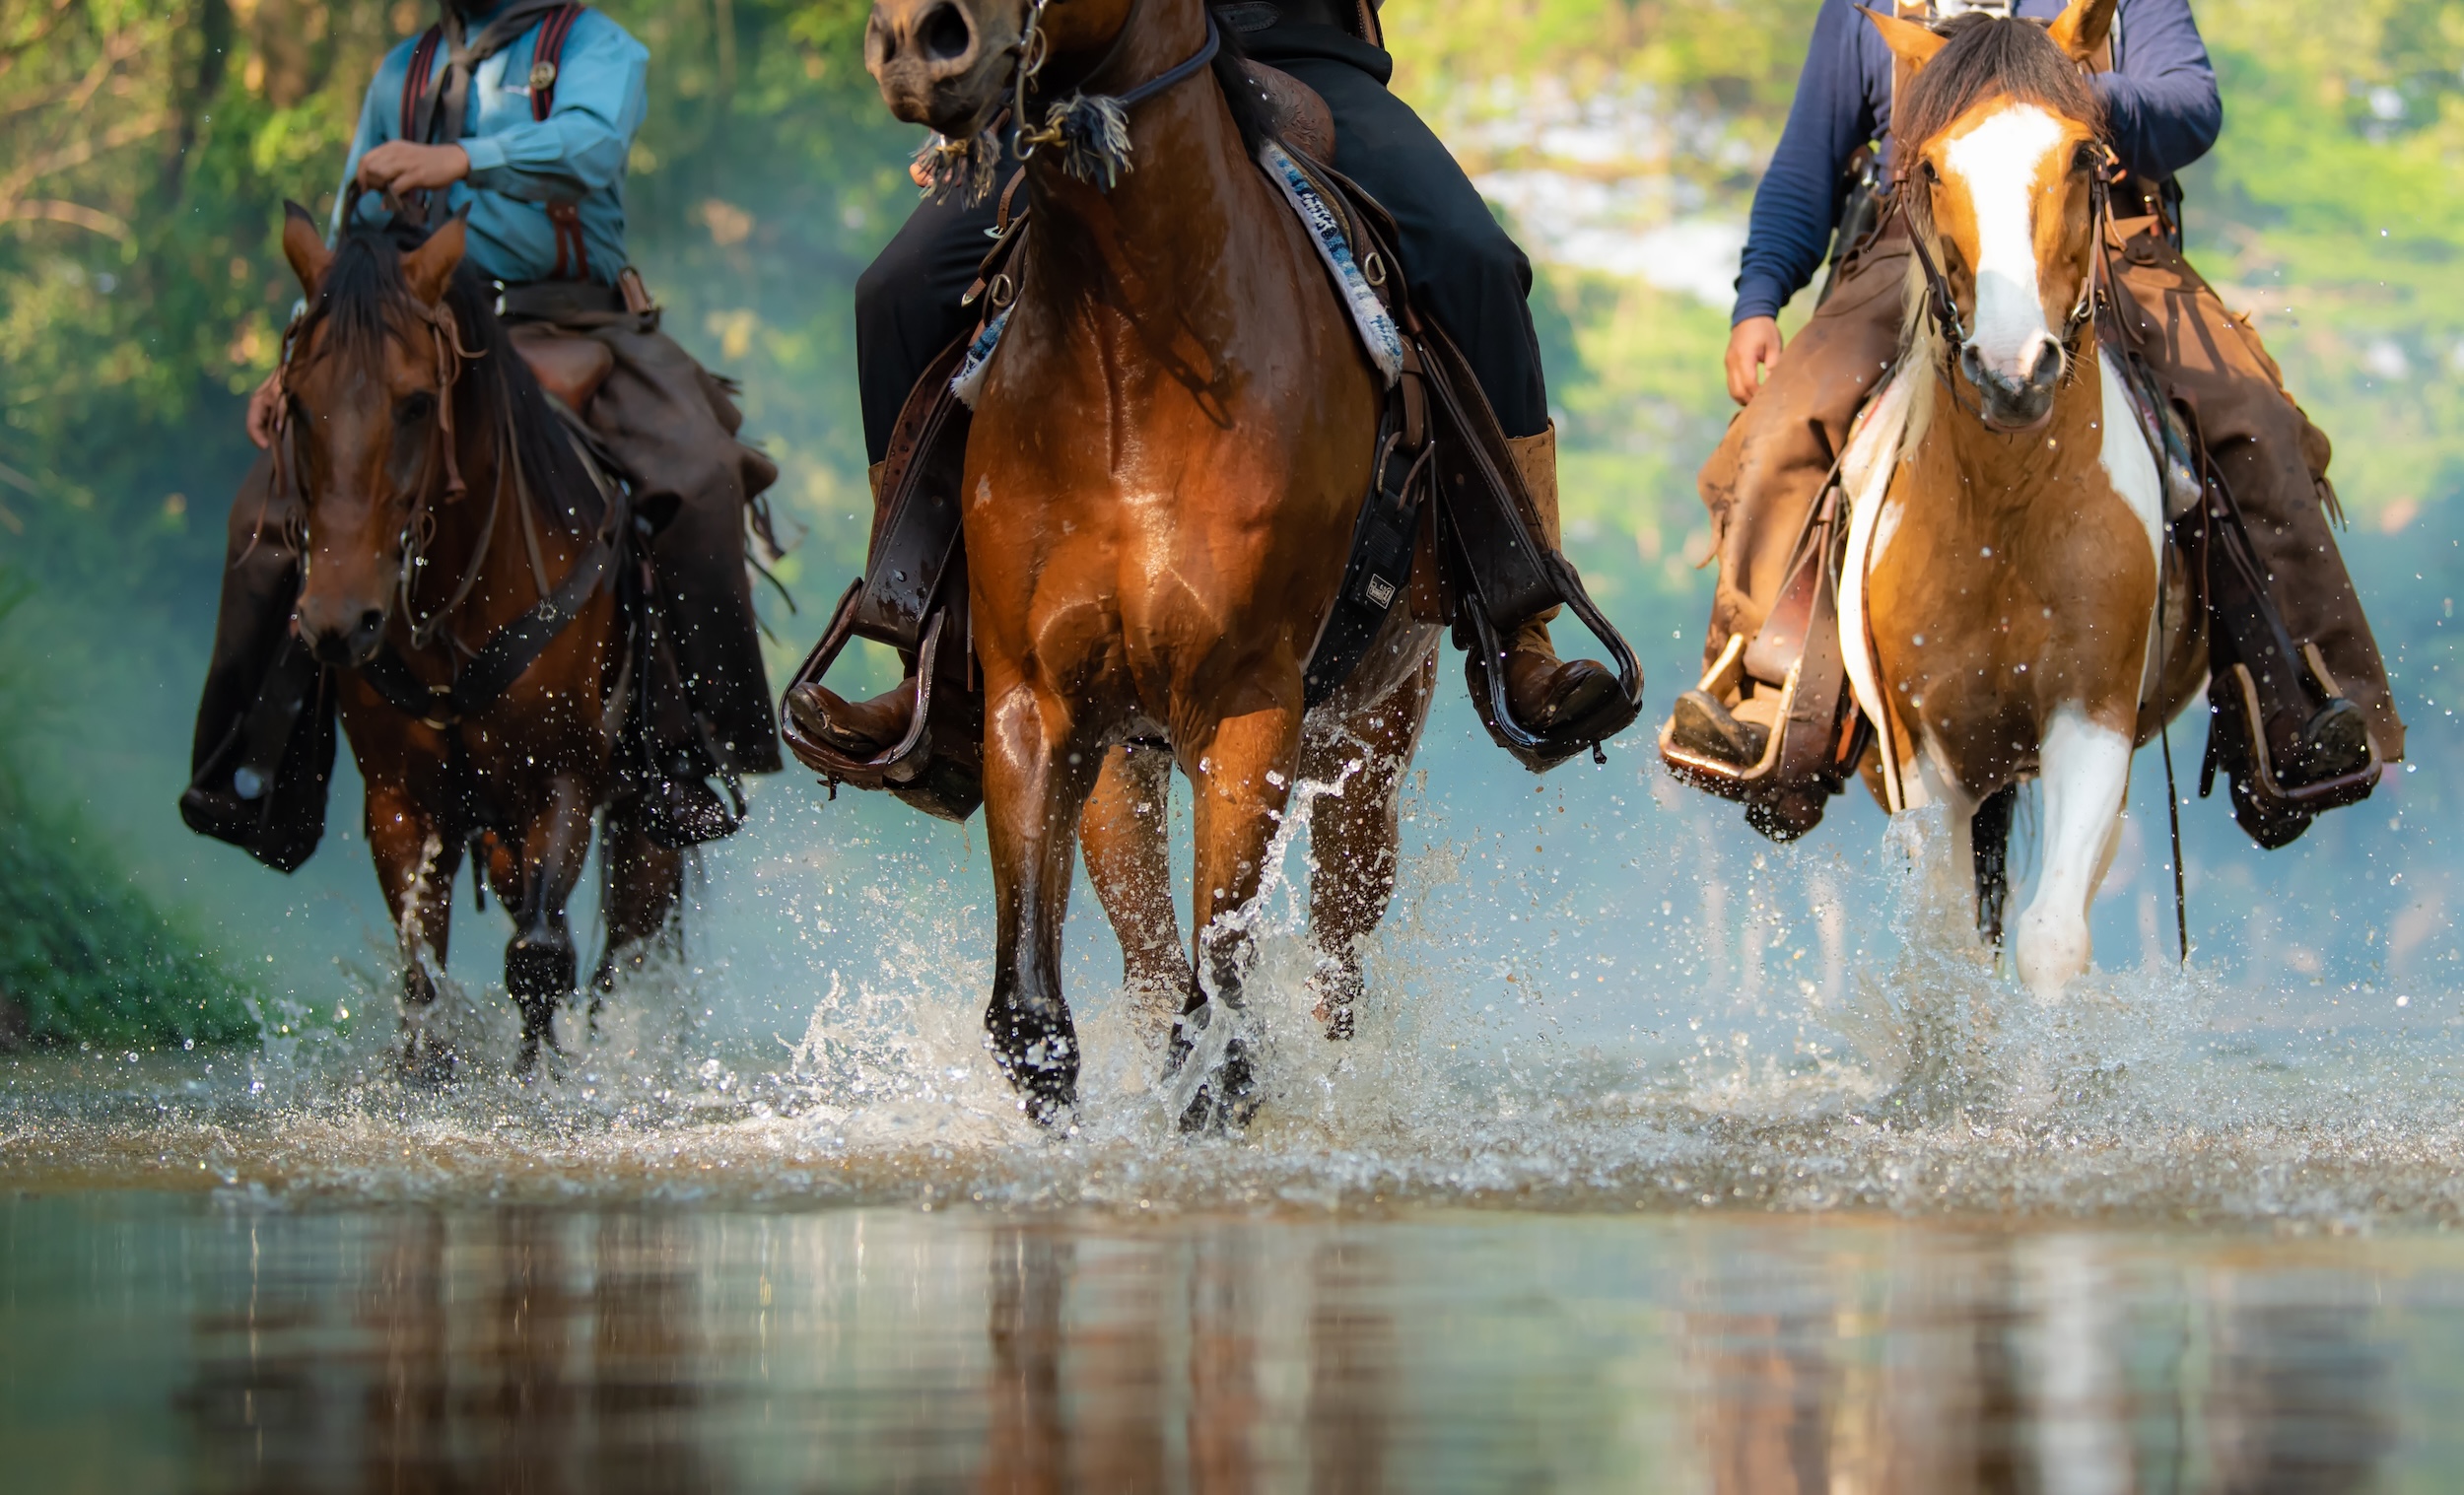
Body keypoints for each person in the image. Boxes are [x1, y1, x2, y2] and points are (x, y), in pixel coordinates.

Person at [1666, 0, 2402, 842]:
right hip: (1921, 249)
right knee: (1784, 420)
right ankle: (1765, 688)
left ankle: (2295, 693)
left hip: (2100, 239)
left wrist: (2083, 108)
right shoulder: (1862, 9)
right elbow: (1808, 163)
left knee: (2252, 414)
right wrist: (1761, 295)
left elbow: (2191, 104)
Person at [811, 0, 1617, 752]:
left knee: (1473, 260)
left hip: (1299, 52)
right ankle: (928, 653)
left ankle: (1520, 626)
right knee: (898, 289)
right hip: (1084, 71)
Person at [184, 0, 780, 852]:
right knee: (263, 512)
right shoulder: (404, 69)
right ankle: (253, 767)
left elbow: (591, 148)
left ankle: (687, 753)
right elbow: (353, 228)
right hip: (410, 339)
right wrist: (298, 352)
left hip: (572, 322)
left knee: (699, 472)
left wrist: (461, 156)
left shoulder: (595, 47)